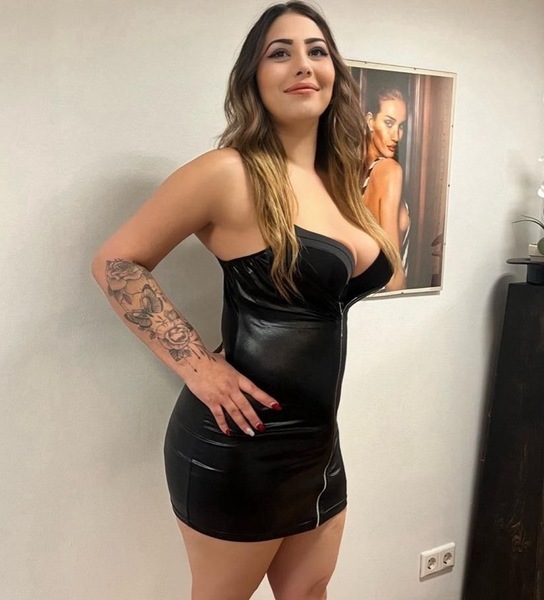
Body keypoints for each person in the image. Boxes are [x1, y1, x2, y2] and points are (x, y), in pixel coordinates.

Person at [91, 2, 398, 599]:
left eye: (316, 50)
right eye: (280, 53)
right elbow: (116, 262)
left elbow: (373, 278)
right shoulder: (229, 173)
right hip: (240, 443)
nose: (302, 64)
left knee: (310, 592)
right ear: (253, 78)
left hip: (319, 445)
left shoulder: (339, 184)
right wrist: (199, 369)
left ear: (335, 72)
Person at [362, 87, 410, 291]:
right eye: (389, 123)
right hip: (387, 296)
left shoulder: (356, 175)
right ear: (370, 121)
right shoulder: (390, 170)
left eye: (401, 126)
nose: (396, 136)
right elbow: (393, 272)